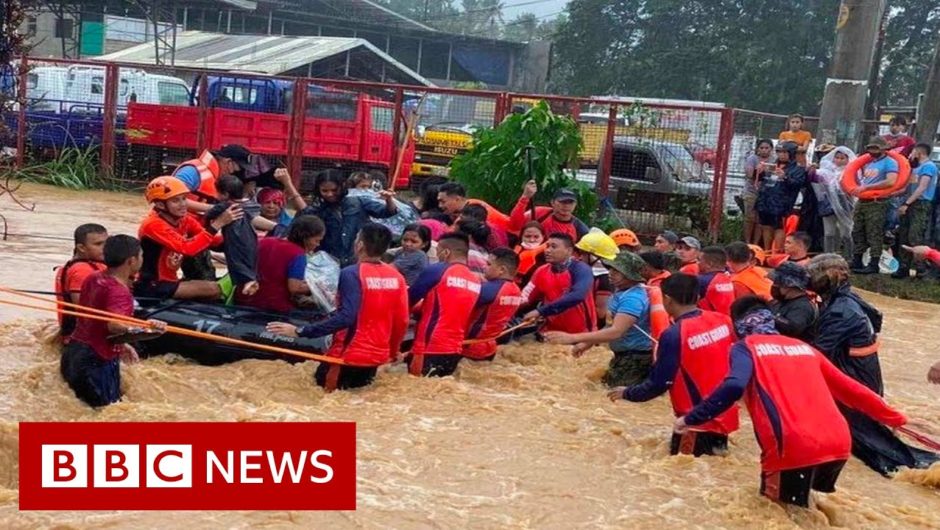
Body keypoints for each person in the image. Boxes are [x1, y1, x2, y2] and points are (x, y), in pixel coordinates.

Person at [675, 296, 908, 508]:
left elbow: (734, 386)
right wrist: (896, 418)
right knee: (802, 512)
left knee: (775, 515)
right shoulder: (804, 348)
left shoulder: (744, 348)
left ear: (738, 328)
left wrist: (691, 418)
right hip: (838, 444)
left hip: (792, 445)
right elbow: (852, 390)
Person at [808, 253, 938, 474]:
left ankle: (929, 468)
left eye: (814, 275)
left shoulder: (842, 310)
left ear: (832, 276)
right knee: (867, 435)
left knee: (877, 450)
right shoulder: (847, 299)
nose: (810, 280)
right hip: (862, 374)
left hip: (854, 379)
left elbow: (815, 352)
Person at [266, 224, 409, 391]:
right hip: (375, 357)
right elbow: (402, 320)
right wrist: (393, 352)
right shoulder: (396, 277)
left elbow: (346, 317)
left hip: (346, 355)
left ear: (360, 245)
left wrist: (300, 331)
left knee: (319, 400)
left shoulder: (351, 273)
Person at [608, 273, 738, 456]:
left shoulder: (674, 334)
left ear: (667, 299)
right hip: (723, 414)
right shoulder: (721, 320)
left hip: (694, 421)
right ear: (698, 297)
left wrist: (627, 393)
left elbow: (659, 384)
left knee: (686, 476)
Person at [61, 235, 166, 407]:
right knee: (107, 415)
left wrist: (124, 344)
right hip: (96, 361)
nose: (142, 260)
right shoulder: (119, 292)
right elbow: (115, 326)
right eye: (141, 256)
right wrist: (149, 330)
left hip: (73, 352)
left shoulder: (94, 277)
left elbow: (97, 322)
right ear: (131, 261)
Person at [545, 252, 657, 387]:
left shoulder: (632, 299)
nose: (610, 273)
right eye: (611, 268)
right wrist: (588, 343)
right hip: (626, 356)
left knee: (616, 395)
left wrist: (573, 338)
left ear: (630, 275)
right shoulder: (622, 292)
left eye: (617, 271)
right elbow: (610, 325)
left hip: (635, 359)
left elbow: (616, 331)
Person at [136, 177, 237, 301]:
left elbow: (214, 242)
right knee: (214, 289)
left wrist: (245, 242)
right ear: (160, 204)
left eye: (184, 199)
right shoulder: (153, 225)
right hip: (153, 285)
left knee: (210, 285)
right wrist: (218, 224)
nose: (183, 204)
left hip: (169, 281)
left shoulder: (184, 220)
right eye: (175, 201)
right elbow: (188, 248)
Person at [407, 233, 482, 377]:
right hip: (454, 350)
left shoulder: (438, 270)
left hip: (429, 347)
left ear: (446, 252)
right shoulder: (475, 280)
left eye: (438, 252)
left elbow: (408, 300)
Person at [521, 233, 597, 334]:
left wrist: (540, 311)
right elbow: (525, 297)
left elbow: (577, 296)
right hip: (551, 334)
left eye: (554, 247)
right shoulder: (541, 271)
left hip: (582, 335)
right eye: (547, 246)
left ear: (569, 251)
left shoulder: (581, 269)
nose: (547, 250)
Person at [247, 215, 324, 313]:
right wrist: (317, 285)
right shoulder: (298, 254)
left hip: (247, 297)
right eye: (316, 240)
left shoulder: (264, 241)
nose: (317, 245)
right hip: (274, 306)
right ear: (305, 238)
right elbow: (295, 288)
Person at [205, 175, 259, 302]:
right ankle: (251, 279)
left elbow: (209, 214)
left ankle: (246, 283)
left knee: (235, 262)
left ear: (225, 194)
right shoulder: (249, 205)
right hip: (249, 237)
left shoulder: (225, 206)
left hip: (234, 239)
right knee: (249, 259)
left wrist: (207, 222)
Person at [463, 248, 524, 362]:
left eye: (489, 264)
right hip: (490, 347)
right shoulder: (516, 290)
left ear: (502, 270)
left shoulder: (489, 289)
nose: (484, 267)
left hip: (469, 347)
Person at [850, 137, 899, 275]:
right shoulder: (871, 163)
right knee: (857, 230)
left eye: (875, 148)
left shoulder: (890, 163)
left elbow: (891, 181)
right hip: (863, 201)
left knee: (874, 232)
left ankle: (874, 263)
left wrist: (867, 187)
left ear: (883, 149)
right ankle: (857, 259)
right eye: (870, 148)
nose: (872, 151)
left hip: (877, 202)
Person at [54, 224, 108, 340]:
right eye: (98, 244)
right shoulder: (82, 271)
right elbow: (84, 311)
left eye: (106, 243)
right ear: (81, 248)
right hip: (82, 338)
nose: (105, 248)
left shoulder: (87, 265)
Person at [894, 143, 939, 278]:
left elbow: (922, 188)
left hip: (920, 204)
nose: (910, 155)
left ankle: (921, 268)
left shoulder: (928, 167)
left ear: (919, 152)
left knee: (915, 235)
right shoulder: (914, 168)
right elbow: (907, 187)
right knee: (904, 234)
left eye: (913, 152)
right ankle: (903, 267)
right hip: (909, 202)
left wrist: (907, 203)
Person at [756, 142, 807, 252]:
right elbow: (762, 180)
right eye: (779, 152)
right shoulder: (772, 165)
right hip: (765, 201)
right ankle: (767, 251)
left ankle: (777, 252)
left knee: (779, 227)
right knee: (766, 226)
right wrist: (760, 172)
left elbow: (798, 184)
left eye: (784, 152)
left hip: (782, 203)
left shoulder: (798, 169)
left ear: (791, 153)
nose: (781, 155)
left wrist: (785, 177)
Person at [812, 146, 857, 257]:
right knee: (829, 232)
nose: (839, 160)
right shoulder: (825, 172)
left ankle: (849, 256)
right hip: (828, 205)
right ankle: (828, 256)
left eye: (842, 158)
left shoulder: (852, 172)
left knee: (846, 232)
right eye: (837, 158)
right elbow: (817, 184)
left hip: (845, 204)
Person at [509, 181, 589, 242]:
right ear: (552, 203)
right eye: (562, 202)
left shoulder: (581, 230)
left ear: (575, 205)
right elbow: (514, 224)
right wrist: (525, 197)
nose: (566, 206)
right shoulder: (539, 212)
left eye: (570, 202)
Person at [575, 228, 619, 330]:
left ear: (596, 257)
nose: (580, 257)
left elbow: (600, 313)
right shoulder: (589, 274)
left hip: (591, 330)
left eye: (584, 253)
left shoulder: (604, 279)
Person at [768, 262, 816, 342]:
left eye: (777, 283)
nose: (774, 286)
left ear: (789, 285)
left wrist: (770, 317)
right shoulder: (778, 302)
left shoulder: (802, 307)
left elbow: (793, 328)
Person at [437, 182, 511, 233]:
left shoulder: (473, 210)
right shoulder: (470, 205)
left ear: (457, 199)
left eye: (443, 202)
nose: (440, 206)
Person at [743, 139, 775, 245]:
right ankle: (747, 242)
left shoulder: (774, 160)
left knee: (759, 219)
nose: (764, 150)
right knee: (750, 217)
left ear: (771, 149)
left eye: (767, 148)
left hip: (766, 193)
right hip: (751, 191)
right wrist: (758, 170)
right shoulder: (752, 159)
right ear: (757, 149)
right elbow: (749, 174)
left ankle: (755, 243)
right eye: (761, 148)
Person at [697, 246, 734, 315]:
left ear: (710, 264)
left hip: (710, 321)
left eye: (699, 260)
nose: (697, 263)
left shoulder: (702, 280)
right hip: (727, 321)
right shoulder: (730, 277)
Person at [515, 221, 547, 285]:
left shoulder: (549, 256)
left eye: (536, 237)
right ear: (521, 237)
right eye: (527, 236)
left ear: (543, 237)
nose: (532, 240)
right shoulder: (513, 253)